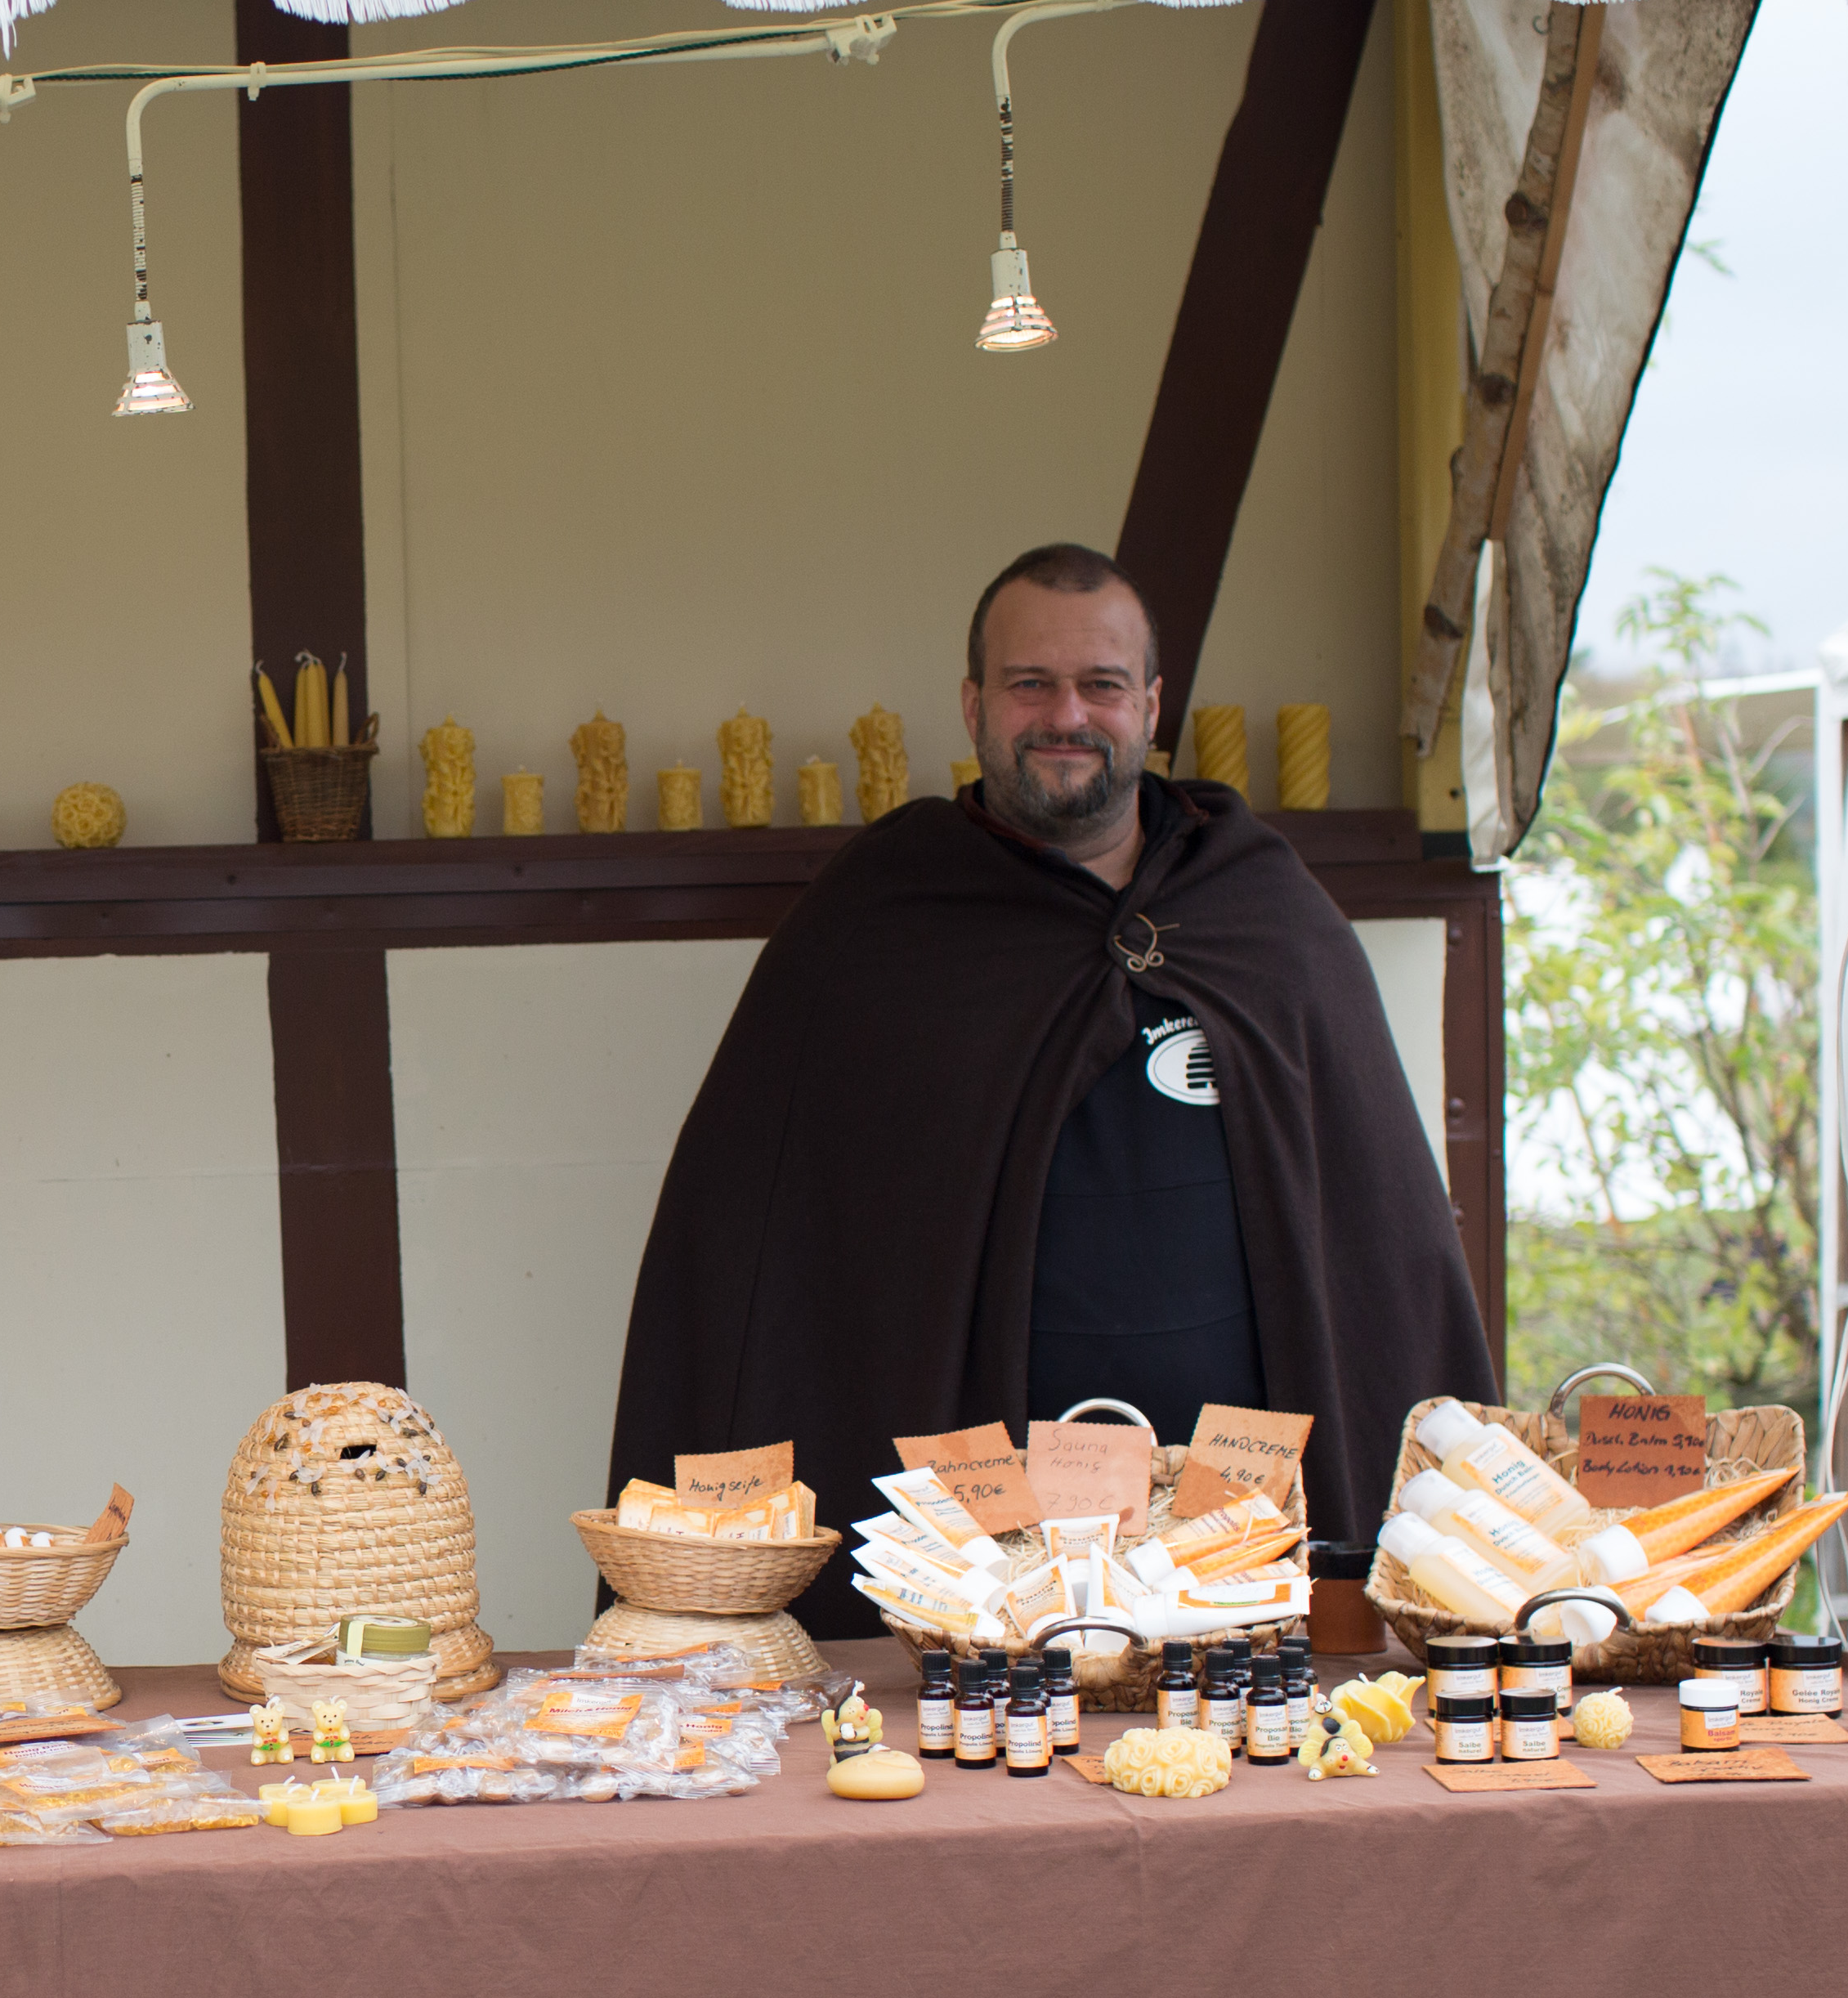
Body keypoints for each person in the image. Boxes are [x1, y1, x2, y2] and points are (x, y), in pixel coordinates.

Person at [606, 542, 1495, 1631]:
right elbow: (753, 1242)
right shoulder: (880, 919)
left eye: (1100, 685)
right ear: (974, 705)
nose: (1066, 715)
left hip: (1240, 1492)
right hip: (980, 1508)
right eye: (1031, 684)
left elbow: (1378, 1229)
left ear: (1152, 706)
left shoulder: (1262, 909)